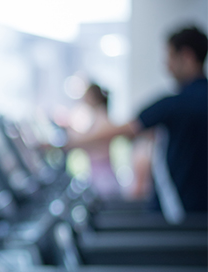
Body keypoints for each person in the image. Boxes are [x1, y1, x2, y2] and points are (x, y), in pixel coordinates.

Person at [67, 26, 208, 223]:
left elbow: (122, 130)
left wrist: (63, 144)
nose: (166, 66)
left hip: (180, 216)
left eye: (169, 57)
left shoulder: (176, 105)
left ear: (186, 56)